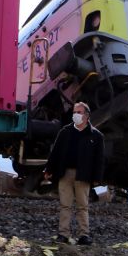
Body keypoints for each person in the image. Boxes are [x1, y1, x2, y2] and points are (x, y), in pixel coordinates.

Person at [42, 102, 105, 245]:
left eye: (79, 112)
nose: (76, 114)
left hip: (84, 175)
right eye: (74, 112)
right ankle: (63, 234)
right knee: (65, 204)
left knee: (83, 205)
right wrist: (49, 169)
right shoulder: (65, 132)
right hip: (65, 173)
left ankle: (84, 235)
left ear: (87, 115)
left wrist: (97, 178)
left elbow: (99, 159)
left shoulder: (96, 136)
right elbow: (55, 152)